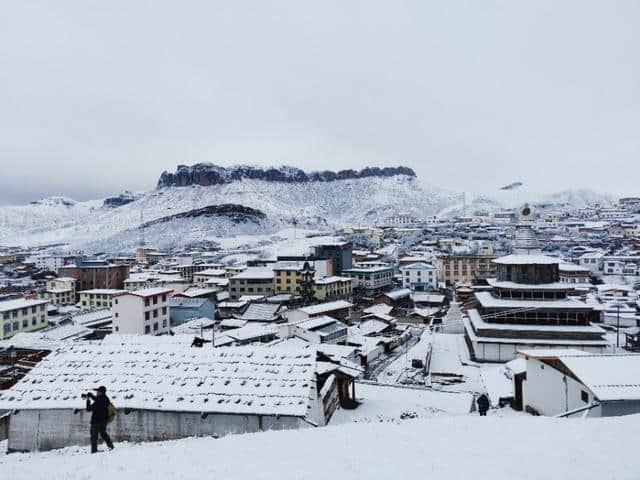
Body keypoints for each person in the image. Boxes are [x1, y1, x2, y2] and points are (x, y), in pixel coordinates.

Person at [85, 386, 115, 453]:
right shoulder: (106, 399)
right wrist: (92, 396)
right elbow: (98, 400)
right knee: (103, 434)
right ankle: (111, 446)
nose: (96, 392)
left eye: (98, 391)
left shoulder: (99, 400)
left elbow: (88, 408)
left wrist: (88, 400)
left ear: (101, 392)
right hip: (103, 421)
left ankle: (94, 451)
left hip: (96, 421)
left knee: (94, 437)